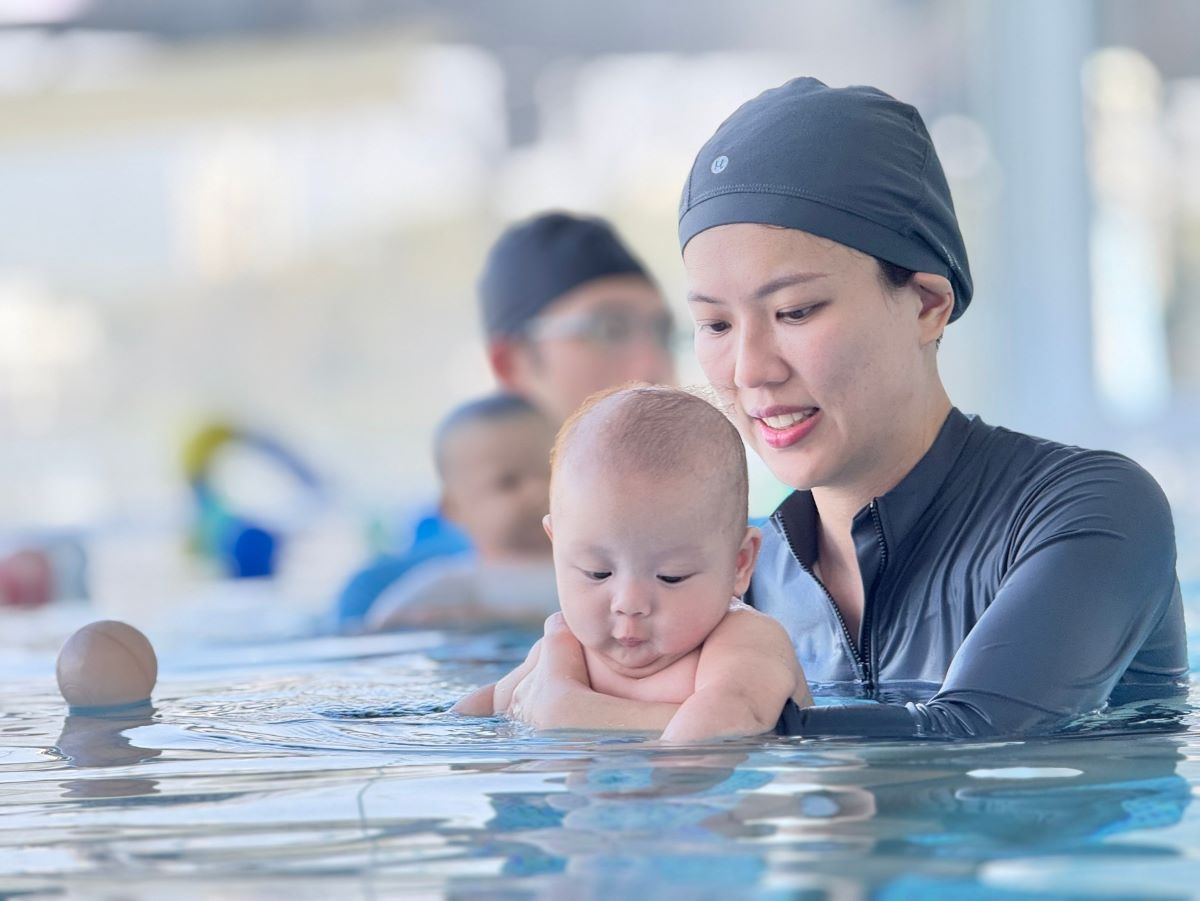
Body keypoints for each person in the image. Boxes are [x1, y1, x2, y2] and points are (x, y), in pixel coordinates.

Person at [499, 77, 1188, 739]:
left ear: (926, 304)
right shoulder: (734, 576)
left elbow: (980, 740)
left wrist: (584, 719)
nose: (748, 370)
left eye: (794, 310)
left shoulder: (1087, 510)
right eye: (715, 325)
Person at [334, 212, 676, 626]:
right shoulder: (397, 596)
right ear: (510, 363)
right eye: (610, 329)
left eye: (663, 332)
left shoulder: (739, 549)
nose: (653, 363)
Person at [452, 385, 812, 742]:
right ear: (556, 545)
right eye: (598, 572)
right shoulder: (565, 647)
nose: (629, 603)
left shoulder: (742, 640)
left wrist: (571, 713)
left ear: (740, 563)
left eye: (671, 577)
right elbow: (486, 710)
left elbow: (731, 720)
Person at [365, 394, 558, 630]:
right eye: (508, 482)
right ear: (454, 509)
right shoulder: (453, 587)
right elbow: (379, 631)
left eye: (552, 471)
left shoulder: (598, 569)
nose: (539, 490)